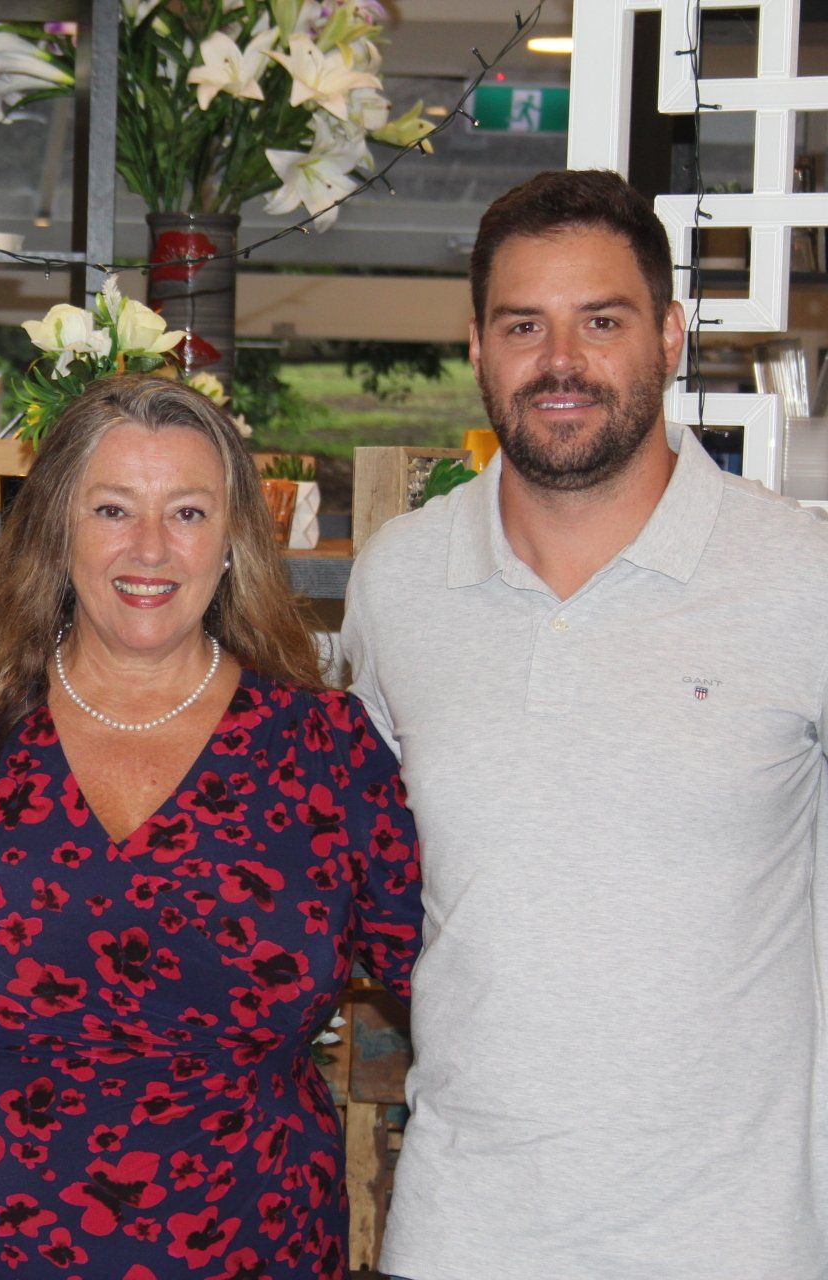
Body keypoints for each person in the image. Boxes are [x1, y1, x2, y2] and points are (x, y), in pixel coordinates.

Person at [343, 169, 828, 1280]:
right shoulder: (401, 580)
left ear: (667, 333)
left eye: (600, 321)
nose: (560, 362)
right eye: (525, 324)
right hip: (461, 1231)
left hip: (739, 1242)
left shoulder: (802, 579)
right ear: (477, 345)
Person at [0, 374, 422, 1278]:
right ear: (57, 529)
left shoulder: (326, 751)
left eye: (189, 513)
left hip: (253, 1248)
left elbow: (455, 981)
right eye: (113, 509)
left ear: (234, 541)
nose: (150, 550)